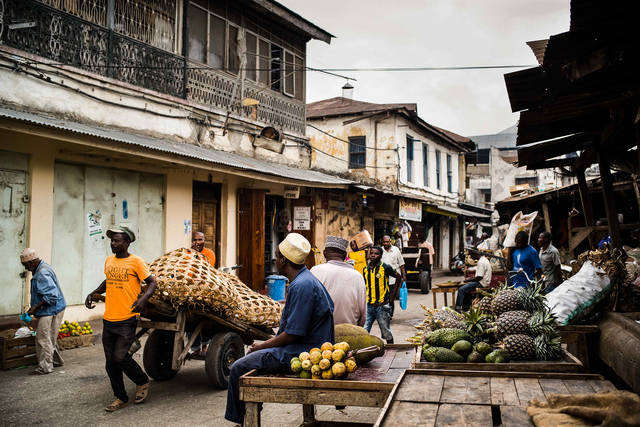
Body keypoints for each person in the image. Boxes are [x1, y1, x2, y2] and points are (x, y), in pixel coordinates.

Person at [225, 233, 334, 424]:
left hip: (302, 352)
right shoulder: (304, 280)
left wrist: (263, 346)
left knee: (238, 367)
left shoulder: (302, 285)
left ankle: (241, 420)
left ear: (284, 260)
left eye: (277, 255)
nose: (275, 259)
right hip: (301, 346)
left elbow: (292, 334)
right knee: (250, 362)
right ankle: (250, 413)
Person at [85, 226, 157, 412]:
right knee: (111, 363)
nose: (113, 243)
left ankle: (141, 381)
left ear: (127, 242)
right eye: (112, 240)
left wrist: (143, 299)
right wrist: (94, 293)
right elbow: (108, 281)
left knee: (121, 357)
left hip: (127, 317)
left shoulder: (136, 262)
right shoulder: (109, 260)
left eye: (117, 240)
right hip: (109, 318)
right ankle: (120, 397)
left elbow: (152, 282)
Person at [20, 248, 66, 375]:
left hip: (50, 310)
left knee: (43, 338)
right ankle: (56, 361)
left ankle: (45, 367)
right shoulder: (43, 267)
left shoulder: (42, 273)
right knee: (49, 337)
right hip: (54, 308)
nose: (26, 269)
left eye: (26, 265)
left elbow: (51, 296)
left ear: (31, 263)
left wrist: (35, 307)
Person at [311, 236, 366, 327]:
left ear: (324, 253)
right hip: (351, 332)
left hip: (321, 333)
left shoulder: (315, 271)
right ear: (345, 255)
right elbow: (363, 315)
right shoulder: (357, 276)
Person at [362, 246, 398, 344]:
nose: (373, 255)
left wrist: (392, 295)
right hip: (369, 306)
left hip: (382, 306)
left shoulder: (385, 267)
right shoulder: (365, 269)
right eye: (371, 253)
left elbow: (398, 276)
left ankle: (391, 349)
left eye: (376, 254)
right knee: (363, 331)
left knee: (386, 332)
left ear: (381, 256)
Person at [381, 235, 406, 317]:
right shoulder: (380, 250)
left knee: (391, 297)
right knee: (384, 297)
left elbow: (401, 264)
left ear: (390, 241)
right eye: (384, 242)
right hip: (383, 278)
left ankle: (390, 313)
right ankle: (385, 312)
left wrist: (404, 276)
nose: (386, 243)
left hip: (395, 278)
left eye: (387, 242)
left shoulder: (396, 250)